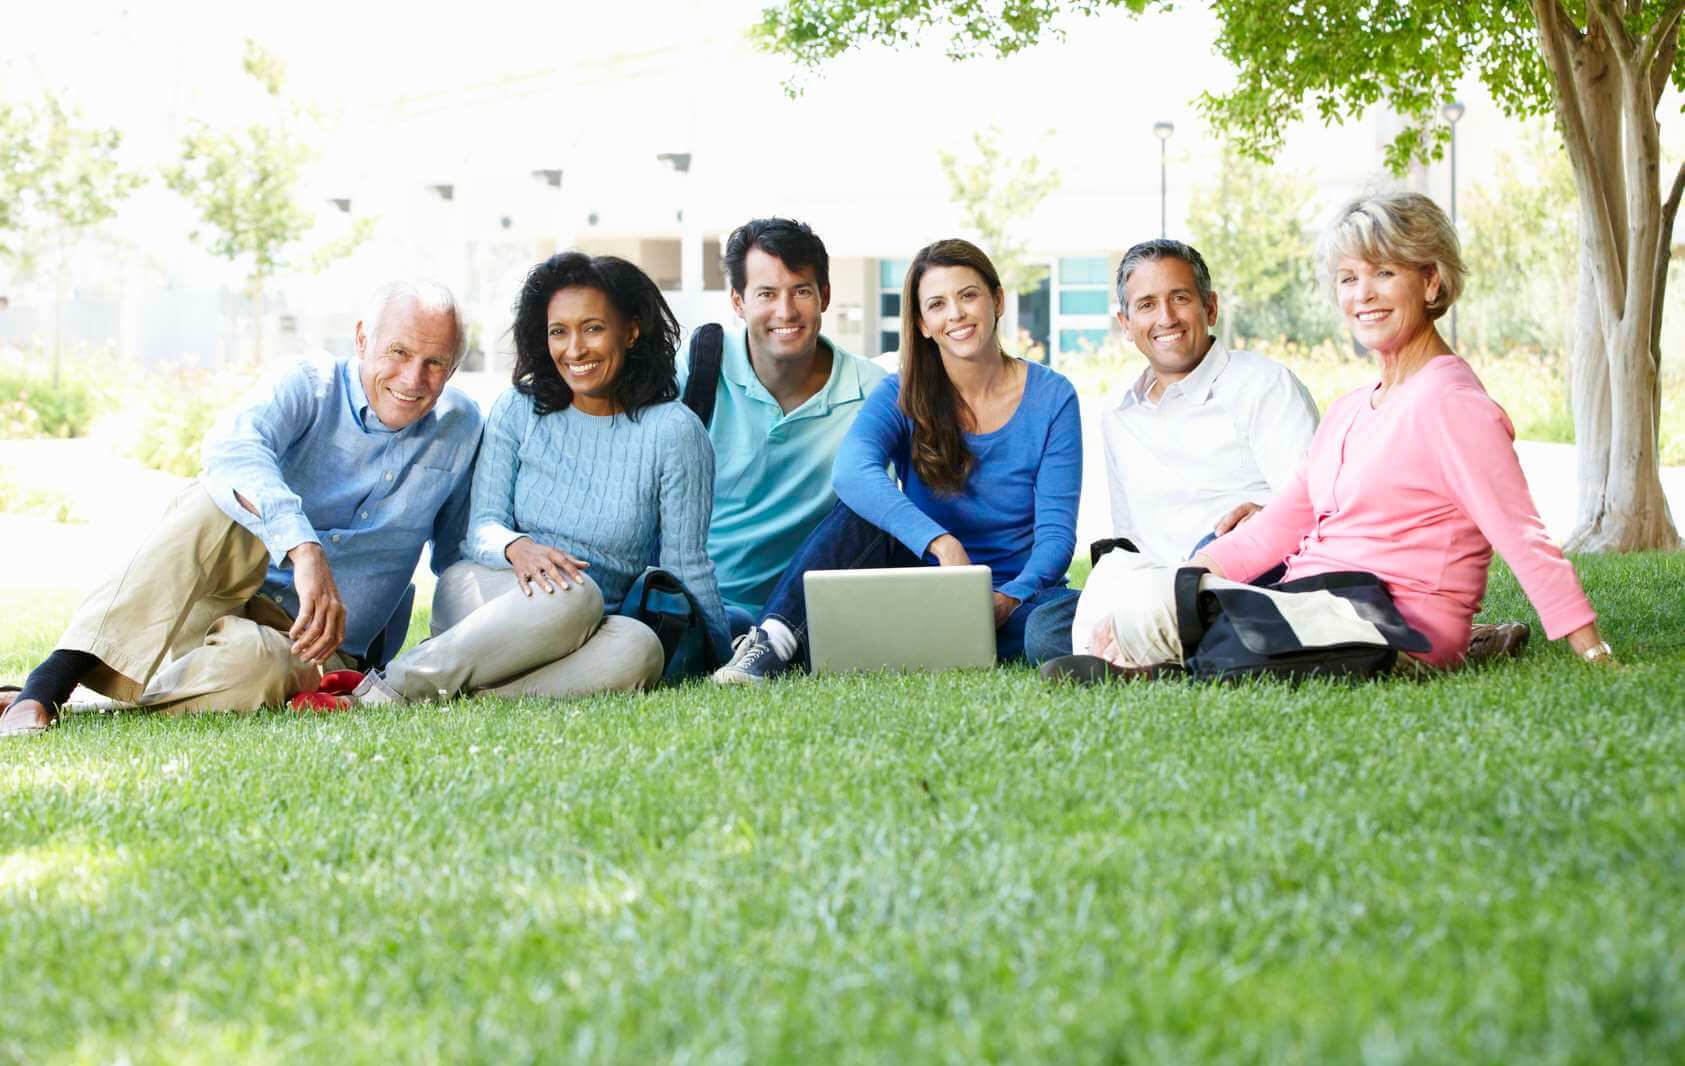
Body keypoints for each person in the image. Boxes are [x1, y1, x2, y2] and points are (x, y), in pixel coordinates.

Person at [1069, 190, 1610, 677]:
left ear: (1431, 281)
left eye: (1384, 273)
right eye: (1349, 279)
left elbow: (1522, 536)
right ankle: (1170, 653)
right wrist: (1178, 587)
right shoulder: (1351, 409)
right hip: (1313, 600)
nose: (1363, 295)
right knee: (1149, 596)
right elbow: (1273, 530)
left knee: (1184, 620)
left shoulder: (1451, 402)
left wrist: (1592, 650)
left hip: (1393, 623)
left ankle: (1162, 660)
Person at [0, 281, 482, 736]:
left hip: (308, 647)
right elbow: (232, 450)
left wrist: (460, 652)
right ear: (361, 339)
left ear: (453, 368)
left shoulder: (460, 427)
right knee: (211, 501)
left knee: (259, 672)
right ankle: (50, 682)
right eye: (398, 352)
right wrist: (303, 548)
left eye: (435, 362)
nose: (413, 378)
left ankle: (79, 708)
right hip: (223, 594)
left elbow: (458, 556)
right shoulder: (309, 383)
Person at [350, 251, 729, 705]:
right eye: (558, 332)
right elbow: (481, 529)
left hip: (590, 626)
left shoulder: (674, 432)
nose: (575, 349)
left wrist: (725, 660)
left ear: (630, 331)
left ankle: (479, 696)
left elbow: (687, 563)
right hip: (488, 596)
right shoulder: (519, 409)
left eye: (593, 328)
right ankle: (395, 685)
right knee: (574, 596)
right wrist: (517, 547)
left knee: (641, 647)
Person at [712, 237, 1083, 683]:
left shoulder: (1053, 396)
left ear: (997, 301)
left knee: (1049, 631)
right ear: (923, 323)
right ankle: (773, 641)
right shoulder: (901, 392)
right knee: (863, 507)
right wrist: (941, 543)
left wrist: (1007, 599)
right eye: (937, 304)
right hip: (923, 590)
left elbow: (1056, 536)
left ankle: (915, 639)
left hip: (1022, 600)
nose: (956, 314)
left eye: (968, 295)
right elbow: (852, 471)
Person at [1022, 238, 1319, 664]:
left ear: (1210, 307)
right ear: (1126, 323)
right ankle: (1177, 645)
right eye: (1146, 305)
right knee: (1045, 628)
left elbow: (1312, 509)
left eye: (1180, 298)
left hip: (1239, 573)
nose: (1166, 318)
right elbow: (1132, 541)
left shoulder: (1265, 384)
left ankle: (1154, 646)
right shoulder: (1119, 412)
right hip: (1156, 584)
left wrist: (1264, 513)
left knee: (1220, 553)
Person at [678, 217, 887, 635]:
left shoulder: (871, 391)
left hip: (806, 617)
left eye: (801, 291)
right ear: (738, 302)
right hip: (698, 605)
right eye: (767, 294)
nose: (786, 311)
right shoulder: (696, 367)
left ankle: (770, 639)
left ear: (825, 295)